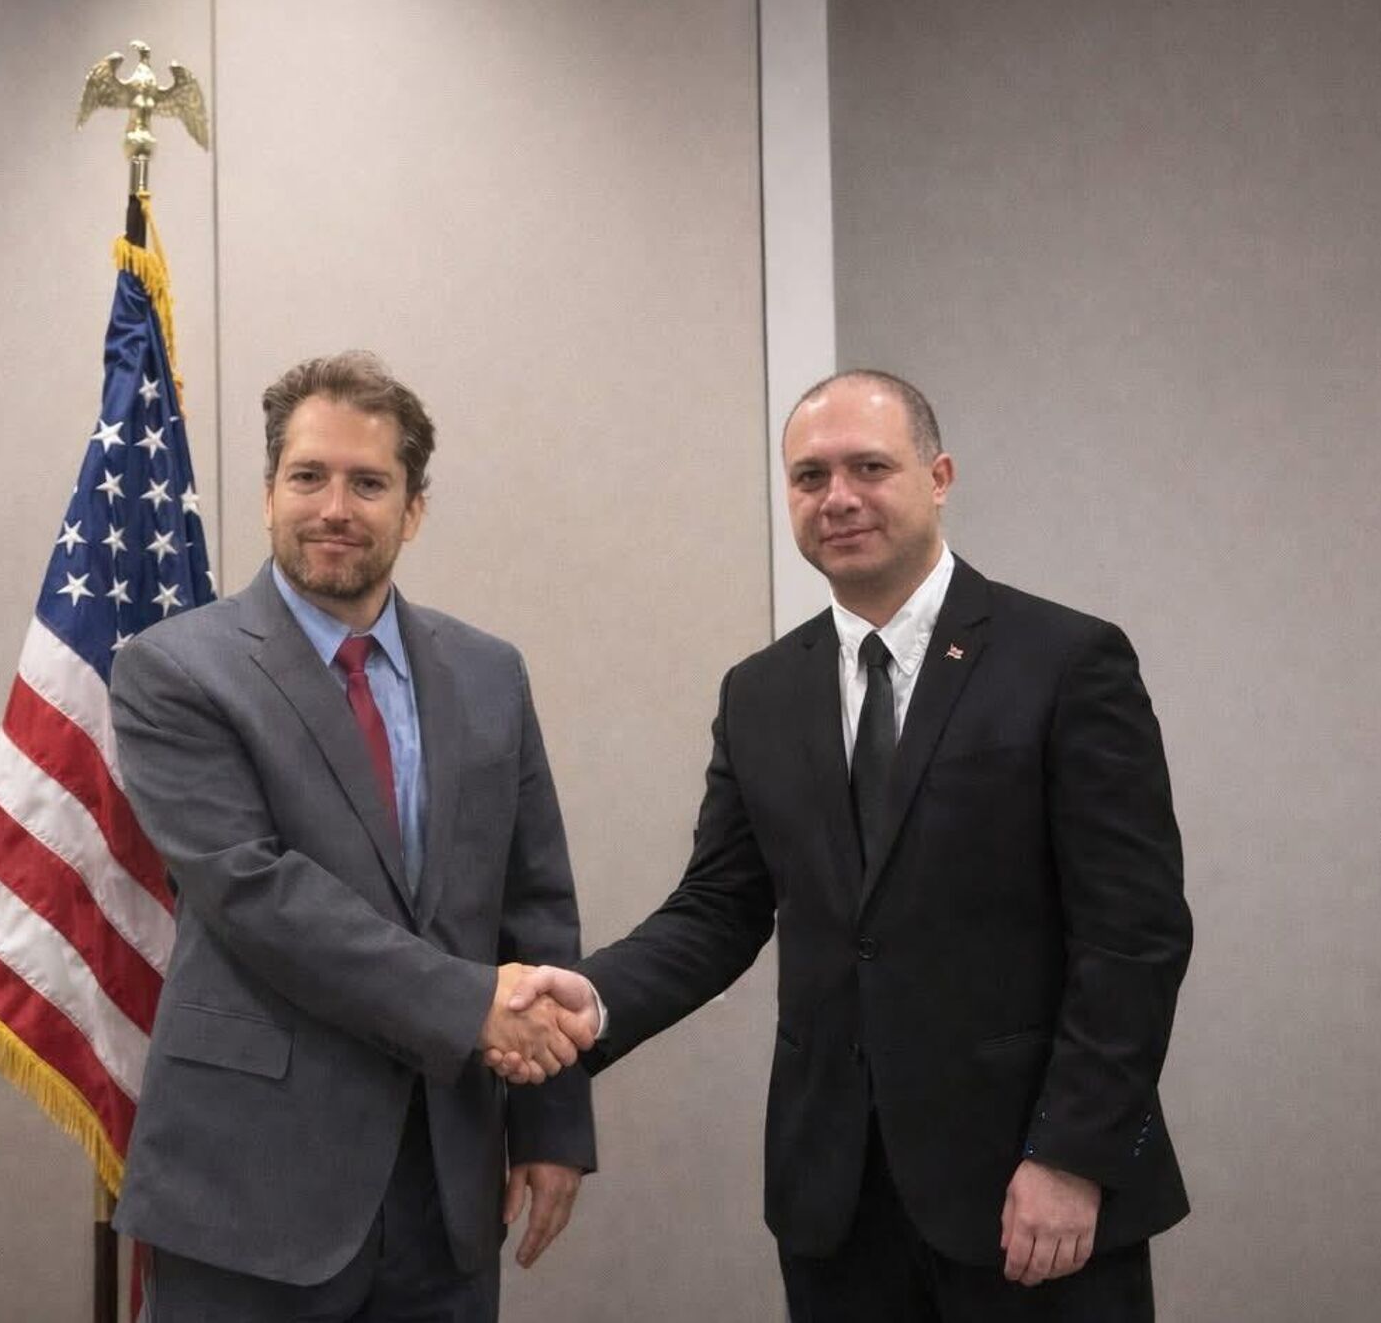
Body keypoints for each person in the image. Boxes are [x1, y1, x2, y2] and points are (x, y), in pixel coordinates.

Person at [496, 371, 1191, 1320]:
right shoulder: (761, 693)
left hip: (1031, 1194)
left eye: (870, 468)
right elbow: (718, 909)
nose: (839, 498)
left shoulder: (1066, 661)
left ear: (938, 478)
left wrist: (1073, 1155)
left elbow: (1134, 937)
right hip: (836, 1204)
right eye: (810, 476)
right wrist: (596, 997)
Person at [109, 351, 596, 1322]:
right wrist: (471, 1005)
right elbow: (255, 894)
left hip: (448, 1187)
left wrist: (551, 1120)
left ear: (412, 510)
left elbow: (533, 902)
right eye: (309, 476)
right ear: (267, 496)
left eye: (369, 483)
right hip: (250, 1189)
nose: (335, 508)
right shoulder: (176, 671)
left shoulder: (489, 673)